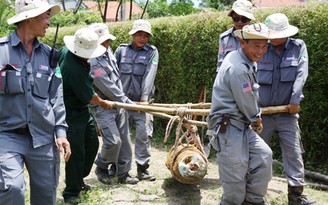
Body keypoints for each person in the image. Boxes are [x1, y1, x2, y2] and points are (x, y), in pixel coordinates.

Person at [0, 0, 71, 204]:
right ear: (29, 18)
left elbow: (56, 96)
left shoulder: (50, 55)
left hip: (42, 137)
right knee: (11, 188)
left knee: (46, 194)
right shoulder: (1, 51)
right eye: (46, 16)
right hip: (6, 135)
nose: (49, 22)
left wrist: (61, 132)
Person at [207, 23, 273, 205]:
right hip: (229, 128)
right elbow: (247, 103)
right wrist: (256, 119)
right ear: (243, 43)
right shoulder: (238, 68)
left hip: (241, 125)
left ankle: (252, 201)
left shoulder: (241, 58)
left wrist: (252, 118)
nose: (260, 51)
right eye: (256, 46)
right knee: (235, 179)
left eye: (264, 46)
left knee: (263, 156)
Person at [257, 13, 315, 205]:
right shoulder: (261, 47)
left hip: (287, 113)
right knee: (257, 153)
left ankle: (296, 197)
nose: (273, 39)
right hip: (262, 114)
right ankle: (254, 196)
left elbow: (301, 74)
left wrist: (295, 100)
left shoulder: (298, 47)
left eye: (277, 35)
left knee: (293, 153)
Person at [60, 27, 113, 203]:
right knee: (76, 152)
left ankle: (77, 179)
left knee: (92, 144)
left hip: (82, 111)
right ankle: (71, 193)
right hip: (70, 112)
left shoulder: (69, 51)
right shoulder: (73, 68)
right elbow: (90, 97)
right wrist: (103, 102)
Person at [88, 23, 139, 185]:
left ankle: (123, 173)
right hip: (103, 106)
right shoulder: (92, 61)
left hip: (119, 104)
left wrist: (123, 102)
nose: (106, 45)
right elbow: (107, 86)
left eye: (107, 41)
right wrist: (126, 101)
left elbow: (117, 80)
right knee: (113, 141)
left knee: (124, 141)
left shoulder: (108, 51)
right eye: (102, 42)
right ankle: (102, 165)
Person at [114, 19, 159, 182]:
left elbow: (150, 75)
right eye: (139, 34)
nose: (142, 38)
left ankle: (143, 169)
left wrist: (145, 99)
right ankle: (119, 168)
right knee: (121, 136)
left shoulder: (152, 52)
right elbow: (113, 73)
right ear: (133, 35)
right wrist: (116, 97)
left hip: (142, 103)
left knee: (143, 134)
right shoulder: (121, 50)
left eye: (146, 35)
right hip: (122, 102)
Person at [217, 0, 255, 71]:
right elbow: (220, 65)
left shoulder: (257, 36)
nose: (239, 22)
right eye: (236, 18)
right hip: (230, 79)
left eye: (244, 19)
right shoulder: (224, 38)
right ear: (232, 18)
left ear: (249, 19)